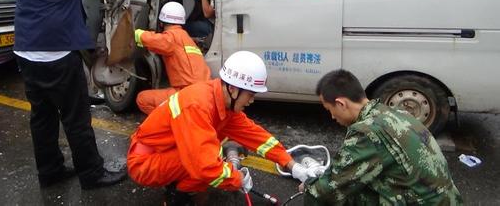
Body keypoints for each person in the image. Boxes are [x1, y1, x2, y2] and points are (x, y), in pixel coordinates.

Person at [13, 0, 126, 189]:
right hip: (58, 51)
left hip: (26, 49)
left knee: (42, 116)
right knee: (76, 115)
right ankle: (91, 173)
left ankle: (49, 172)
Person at [127, 51, 318, 204]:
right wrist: (237, 179)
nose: (252, 101)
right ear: (233, 89)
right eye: (250, 94)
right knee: (209, 160)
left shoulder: (223, 104)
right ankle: (178, 197)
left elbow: (258, 137)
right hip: (144, 163)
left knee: (211, 154)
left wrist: (292, 165)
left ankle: (181, 187)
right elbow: (205, 167)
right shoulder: (198, 105)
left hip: (163, 151)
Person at [301, 69, 463, 205]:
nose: (332, 117)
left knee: (319, 196)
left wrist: (308, 186)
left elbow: (331, 188)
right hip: (443, 199)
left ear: (341, 104)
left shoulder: (367, 131)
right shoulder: (396, 113)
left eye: (329, 109)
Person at [134, 1, 211, 115]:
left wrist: (134, 32)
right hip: (205, 94)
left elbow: (151, 40)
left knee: (142, 99)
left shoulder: (171, 38)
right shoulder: (188, 39)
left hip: (188, 94)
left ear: (161, 23)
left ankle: (172, 124)